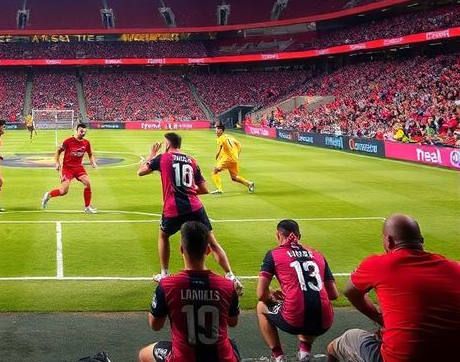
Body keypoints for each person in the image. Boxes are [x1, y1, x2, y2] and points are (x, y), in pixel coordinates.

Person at [327, 214, 460, 362]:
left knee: (338, 344)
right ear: (421, 241)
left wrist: (377, 317)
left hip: (398, 358)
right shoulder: (455, 268)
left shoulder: (378, 264)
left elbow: (350, 292)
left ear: (389, 241)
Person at [138, 132, 243, 294]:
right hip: (195, 207)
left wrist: (152, 153)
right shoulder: (191, 160)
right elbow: (204, 189)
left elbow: (141, 171)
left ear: (167, 144)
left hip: (172, 208)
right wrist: (187, 192)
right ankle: (231, 277)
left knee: (163, 236)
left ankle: (164, 274)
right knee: (213, 243)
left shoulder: (163, 158)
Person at [138, 220, 241, 362]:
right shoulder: (228, 286)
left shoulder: (167, 286)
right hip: (222, 358)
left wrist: (163, 298)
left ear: (181, 249)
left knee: (143, 354)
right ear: (208, 250)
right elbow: (233, 322)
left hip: (182, 358)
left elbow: (155, 325)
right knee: (232, 343)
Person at [257, 219, 339, 362]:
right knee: (312, 303)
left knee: (261, 306)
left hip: (293, 320)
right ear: (299, 236)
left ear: (278, 235)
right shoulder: (318, 255)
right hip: (324, 322)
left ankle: (278, 356)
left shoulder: (273, 254)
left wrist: (272, 295)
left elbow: (261, 294)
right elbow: (333, 294)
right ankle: (305, 352)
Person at [41, 122, 98, 213]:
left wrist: (93, 162)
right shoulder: (68, 141)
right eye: (81, 131)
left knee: (87, 183)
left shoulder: (86, 143)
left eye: (84, 132)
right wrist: (57, 163)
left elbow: (90, 154)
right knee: (63, 191)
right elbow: (58, 152)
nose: (83, 133)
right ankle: (48, 195)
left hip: (79, 168)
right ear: (76, 130)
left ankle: (87, 207)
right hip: (67, 169)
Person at [211, 123, 254, 194]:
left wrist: (217, 154)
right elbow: (239, 144)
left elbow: (220, 147)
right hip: (234, 158)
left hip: (228, 158)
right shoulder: (228, 136)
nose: (216, 131)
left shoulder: (220, 138)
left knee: (214, 171)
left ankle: (219, 189)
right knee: (234, 177)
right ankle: (249, 183)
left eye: (217, 130)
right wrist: (237, 154)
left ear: (221, 131)